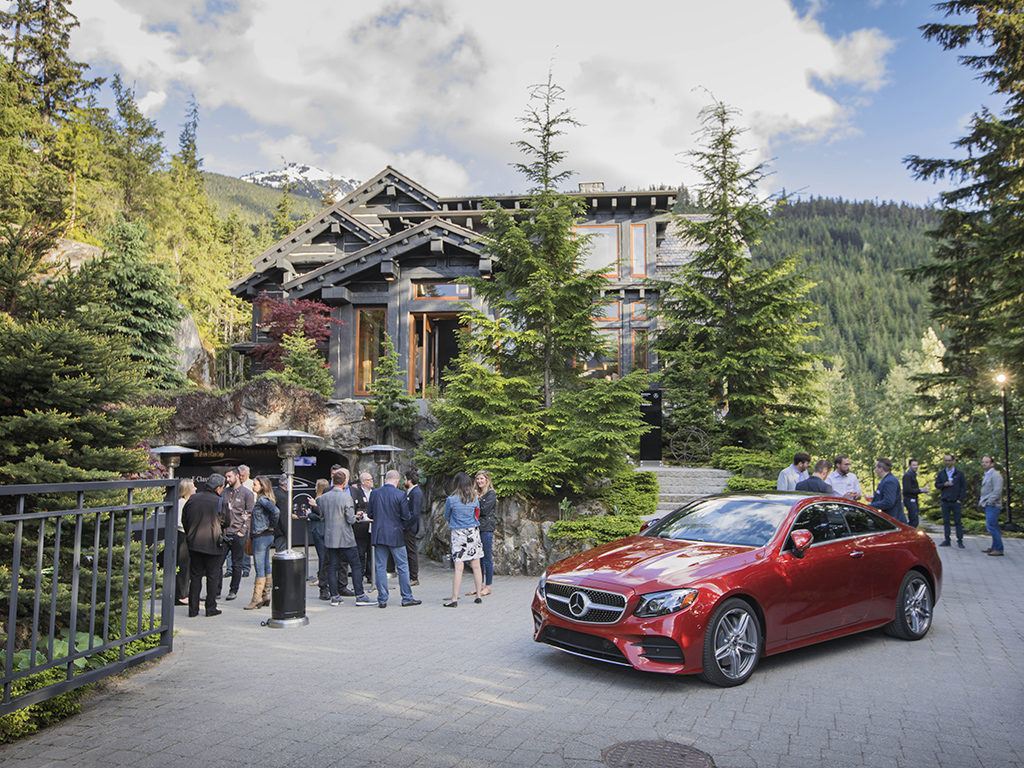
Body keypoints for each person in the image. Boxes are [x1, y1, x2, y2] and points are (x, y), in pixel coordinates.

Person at [319, 468, 374, 606]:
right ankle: (360, 595)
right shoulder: (346, 497)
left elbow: (322, 517)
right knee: (355, 565)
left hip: (330, 536)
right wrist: (356, 517)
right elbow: (349, 519)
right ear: (344, 482)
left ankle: (335, 597)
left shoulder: (324, 497)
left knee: (332, 566)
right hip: (346, 537)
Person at [368, 469, 420, 608]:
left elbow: (370, 514)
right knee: (402, 566)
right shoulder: (400, 494)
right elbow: (406, 516)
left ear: (386, 479)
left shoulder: (374, 493)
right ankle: (407, 597)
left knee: (380, 567)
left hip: (379, 534)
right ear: (397, 481)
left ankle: (382, 599)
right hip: (396, 535)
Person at [182, 473, 229, 617]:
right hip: (213, 544)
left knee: (195, 576)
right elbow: (227, 522)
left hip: (194, 543)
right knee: (212, 576)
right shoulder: (220, 501)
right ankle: (210, 608)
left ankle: (193, 609)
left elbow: (185, 519)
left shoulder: (193, 499)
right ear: (219, 488)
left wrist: (191, 533)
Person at [444, 471, 484, 608]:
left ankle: (454, 598)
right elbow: (477, 513)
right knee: (476, 566)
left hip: (458, 534)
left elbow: (446, 515)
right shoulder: (474, 498)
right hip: (473, 532)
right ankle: (478, 595)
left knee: (458, 567)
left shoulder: (451, 499)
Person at [245, 475, 280, 609]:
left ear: (262, 487)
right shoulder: (265, 499)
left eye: (255, 484)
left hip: (260, 536)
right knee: (265, 565)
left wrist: (271, 524)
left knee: (259, 567)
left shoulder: (262, 501)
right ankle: (266, 595)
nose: (253, 486)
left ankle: (256, 598)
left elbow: (276, 512)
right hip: (267, 535)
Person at [222, 467, 254, 600]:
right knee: (218, 563)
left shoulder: (247, 493)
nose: (227, 479)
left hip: (238, 533)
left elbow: (250, 513)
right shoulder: (224, 492)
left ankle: (233, 590)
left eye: (229, 477)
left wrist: (243, 531)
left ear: (237, 476)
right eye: (226, 477)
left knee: (237, 563)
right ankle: (216, 591)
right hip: (224, 533)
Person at [471, 470, 496, 597]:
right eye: (478, 479)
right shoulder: (477, 493)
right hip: (477, 528)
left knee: (487, 558)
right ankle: (478, 585)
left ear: (487, 480)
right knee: (477, 558)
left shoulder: (491, 494)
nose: (479, 481)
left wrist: (476, 501)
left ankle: (488, 586)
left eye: (482, 479)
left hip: (486, 528)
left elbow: (484, 510)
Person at [936, 453, 966, 548]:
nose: (947, 462)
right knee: (946, 521)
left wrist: (960, 499)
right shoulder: (941, 473)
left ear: (953, 461)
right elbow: (937, 485)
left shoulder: (959, 474)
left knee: (958, 521)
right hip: (945, 500)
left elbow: (963, 487)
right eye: (946, 460)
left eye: (949, 460)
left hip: (955, 501)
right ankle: (947, 539)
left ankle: (960, 540)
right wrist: (944, 484)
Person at [308, 477, 331, 601]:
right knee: (324, 556)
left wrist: (309, 514)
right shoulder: (325, 499)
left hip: (318, 529)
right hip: (325, 530)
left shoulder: (319, 499)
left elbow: (321, 515)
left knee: (322, 556)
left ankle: (322, 581)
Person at [349, 471, 373, 587]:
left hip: (372, 527)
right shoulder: (356, 492)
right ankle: (360, 575)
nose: (371, 481)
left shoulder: (375, 493)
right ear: (363, 482)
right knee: (361, 552)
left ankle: (370, 575)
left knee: (371, 551)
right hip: (361, 527)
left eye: (372, 479)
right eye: (369, 480)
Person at [174, 479, 196, 606]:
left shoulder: (186, 502)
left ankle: (184, 593)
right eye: (193, 487)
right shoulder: (181, 503)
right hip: (182, 536)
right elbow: (179, 522)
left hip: (186, 535)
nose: (195, 489)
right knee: (183, 566)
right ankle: (181, 595)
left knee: (186, 566)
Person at [979, 456, 1004, 557]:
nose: (984, 464)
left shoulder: (995, 475)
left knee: (992, 527)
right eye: (983, 462)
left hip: (992, 505)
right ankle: (994, 547)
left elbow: (997, 491)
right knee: (993, 526)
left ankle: (998, 549)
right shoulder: (987, 474)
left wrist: (989, 501)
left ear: (992, 464)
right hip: (987, 504)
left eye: (987, 462)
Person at [869, 457, 906, 523]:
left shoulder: (889, 481)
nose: (875, 470)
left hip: (893, 520)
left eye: (876, 467)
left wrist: (869, 507)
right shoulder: (885, 480)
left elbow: (888, 502)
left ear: (881, 469)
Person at [403, 469, 424, 586]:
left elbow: (415, 513)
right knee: (410, 550)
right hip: (410, 526)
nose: (404, 481)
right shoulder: (412, 491)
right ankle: (412, 575)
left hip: (410, 527)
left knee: (411, 551)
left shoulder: (415, 493)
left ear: (409, 480)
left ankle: (414, 577)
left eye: (405, 479)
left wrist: (406, 526)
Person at [902, 459, 927, 528]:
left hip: (914, 499)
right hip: (910, 500)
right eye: (914, 465)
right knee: (913, 520)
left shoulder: (913, 475)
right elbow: (907, 490)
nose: (916, 467)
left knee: (915, 519)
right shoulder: (907, 476)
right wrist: (920, 490)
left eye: (917, 465)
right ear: (909, 466)